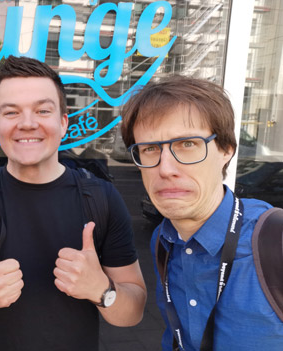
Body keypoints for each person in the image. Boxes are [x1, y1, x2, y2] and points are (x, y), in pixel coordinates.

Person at [0, 56, 146, 351]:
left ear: (63, 123)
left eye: (43, 110)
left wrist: (102, 290)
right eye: (11, 112)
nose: (28, 123)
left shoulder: (103, 199)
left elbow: (133, 312)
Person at [120, 76, 283, 350]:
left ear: (226, 150)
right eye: (150, 149)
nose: (165, 168)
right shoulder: (163, 240)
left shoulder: (274, 241)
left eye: (187, 144)